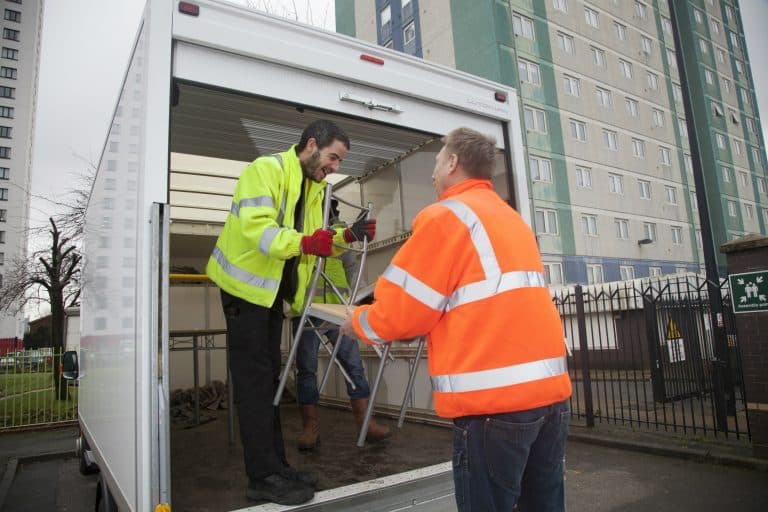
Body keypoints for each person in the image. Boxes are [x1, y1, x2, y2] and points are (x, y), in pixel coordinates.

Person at [341, 127, 572, 511]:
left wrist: (360, 322)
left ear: (452, 163)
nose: (432, 173)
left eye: (435, 162)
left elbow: (405, 313)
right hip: (551, 400)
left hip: (494, 409)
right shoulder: (512, 219)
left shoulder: (445, 216)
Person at [206, 120, 375, 506]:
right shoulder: (264, 170)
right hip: (242, 291)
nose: (335, 166)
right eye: (333, 157)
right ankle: (262, 477)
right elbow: (259, 231)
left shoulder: (314, 190)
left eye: (339, 161)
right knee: (254, 386)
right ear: (312, 145)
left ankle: (277, 467)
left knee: (270, 385)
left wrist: (346, 237)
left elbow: (314, 244)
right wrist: (307, 241)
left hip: (269, 297)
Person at [293, 199, 390, 451]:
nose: (330, 212)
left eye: (331, 208)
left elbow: (352, 267)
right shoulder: (299, 228)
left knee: (353, 365)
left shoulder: (343, 231)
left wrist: (356, 300)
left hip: (337, 309)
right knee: (307, 368)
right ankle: (310, 428)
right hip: (306, 308)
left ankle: (365, 423)